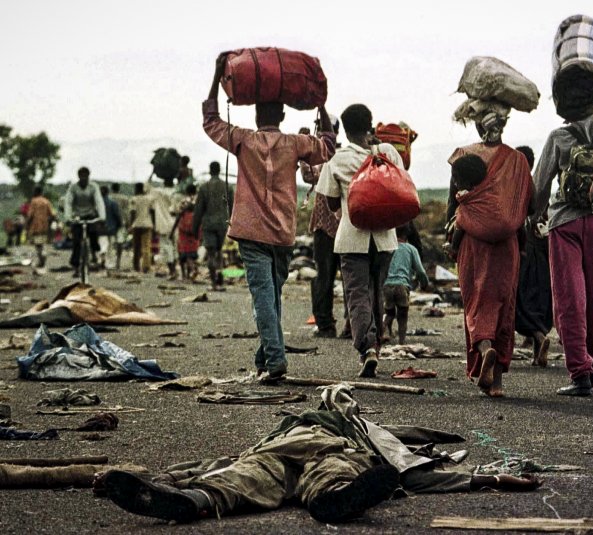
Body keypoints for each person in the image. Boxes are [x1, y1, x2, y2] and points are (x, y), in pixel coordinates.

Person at [102, 385, 540, 525]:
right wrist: (171, 479)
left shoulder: (358, 429)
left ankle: (336, 500)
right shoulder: (324, 426)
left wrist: (489, 478)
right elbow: (410, 456)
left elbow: (413, 456)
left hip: (313, 455)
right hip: (295, 453)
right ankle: (184, 502)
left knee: (249, 477)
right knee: (241, 476)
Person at [203, 53, 335, 383]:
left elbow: (211, 120)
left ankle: (275, 359)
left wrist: (216, 74)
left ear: (257, 112)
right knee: (271, 296)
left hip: (251, 231)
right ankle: (264, 358)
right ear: (283, 113)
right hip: (283, 233)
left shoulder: (244, 140)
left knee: (264, 296)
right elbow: (329, 145)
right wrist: (321, 105)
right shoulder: (294, 143)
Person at [532, 80, 593, 397]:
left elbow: (540, 185)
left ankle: (581, 372)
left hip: (565, 222)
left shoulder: (559, 137)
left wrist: (534, 216)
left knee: (569, 298)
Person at [447, 116, 533, 398]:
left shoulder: (463, 158)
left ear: (477, 124)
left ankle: (485, 349)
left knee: (476, 304)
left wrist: (451, 244)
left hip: (473, 246)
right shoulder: (517, 162)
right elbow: (530, 204)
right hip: (508, 247)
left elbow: (453, 209)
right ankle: (495, 384)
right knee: (503, 306)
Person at [316, 104, 401, 378]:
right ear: (371, 124)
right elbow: (401, 185)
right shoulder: (388, 153)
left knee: (357, 293)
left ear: (345, 127)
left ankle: (368, 348)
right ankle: (376, 341)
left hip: (353, 237)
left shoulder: (337, 160)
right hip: (385, 237)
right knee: (376, 289)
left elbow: (329, 201)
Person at [301, 119, 344, 338]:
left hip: (334, 226)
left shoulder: (332, 157)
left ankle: (330, 324)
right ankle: (329, 323)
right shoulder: (325, 156)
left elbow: (310, 175)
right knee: (335, 276)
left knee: (329, 276)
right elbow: (308, 176)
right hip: (336, 226)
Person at [513, 146, 553, 367]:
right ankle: (539, 352)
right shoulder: (540, 184)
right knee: (539, 300)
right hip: (542, 250)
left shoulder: (517, 184)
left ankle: (537, 338)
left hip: (523, 249)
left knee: (520, 301)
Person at [382, 224, 430, 344]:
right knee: (402, 317)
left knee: (389, 313)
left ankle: (381, 329)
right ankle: (401, 342)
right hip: (402, 286)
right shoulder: (411, 249)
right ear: (407, 234)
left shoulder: (387, 248)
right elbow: (420, 271)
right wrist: (424, 283)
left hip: (387, 286)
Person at [193, 161, 232, 291]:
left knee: (210, 254)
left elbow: (198, 210)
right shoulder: (227, 187)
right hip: (223, 224)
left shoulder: (204, 187)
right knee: (219, 252)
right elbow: (233, 207)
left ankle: (214, 283)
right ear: (219, 170)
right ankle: (220, 280)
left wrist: (195, 227)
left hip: (209, 224)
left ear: (210, 171)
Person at [63, 167, 106, 277]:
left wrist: (102, 216)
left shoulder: (93, 187)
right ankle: (76, 267)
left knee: (93, 236)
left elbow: (99, 201)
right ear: (78, 176)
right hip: (78, 216)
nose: (83, 178)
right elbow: (68, 202)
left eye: (85, 176)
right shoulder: (73, 188)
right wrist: (68, 217)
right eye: (81, 176)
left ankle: (94, 254)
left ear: (88, 176)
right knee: (77, 242)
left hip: (90, 215)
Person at [171, 184, 199, 281]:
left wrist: (172, 230)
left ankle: (185, 274)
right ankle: (190, 272)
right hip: (195, 228)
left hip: (184, 228)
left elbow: (179, 216)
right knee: (191, 251)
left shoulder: (184, 201)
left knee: (183, 251)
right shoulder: (198, 200)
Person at [129, 182, 155, 273]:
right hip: (147, 224)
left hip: (137, 224)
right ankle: (146, 266)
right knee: (146, 246)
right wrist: (154, 224)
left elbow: (132, 213)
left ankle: (136, 266)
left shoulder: (134, 199)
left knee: (136, 246)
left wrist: (130, 225)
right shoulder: (149, 199)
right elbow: (152, 212)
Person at [25, 186, 54, 268]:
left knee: (37, 244)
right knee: (42, 242)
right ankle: (42, 256)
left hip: (36, 225)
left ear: (35, 192)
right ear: (42, 192)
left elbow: (30, 215)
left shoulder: (34, 201)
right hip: (45, 225)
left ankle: (41, 257)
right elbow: (52, 214)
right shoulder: (46, 201)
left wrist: (27, 225)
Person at [99, 185, 123, 270]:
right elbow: (117, 215)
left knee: (102, 243)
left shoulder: (97, 204)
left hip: (100, 228)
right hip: (111, 228)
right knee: (110, 246)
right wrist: (120, 224)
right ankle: (107, 262)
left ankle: (102, 257)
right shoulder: (112, 203)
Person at [110, 183, 130, 270]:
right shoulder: (124, 199)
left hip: (110, 223)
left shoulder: (109, 198)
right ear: (119, 189)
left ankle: (109, 261)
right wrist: (128, 222)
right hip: (121, 222)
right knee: (120, 242)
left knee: (110, 243)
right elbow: (126, 212)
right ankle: (118, 261)